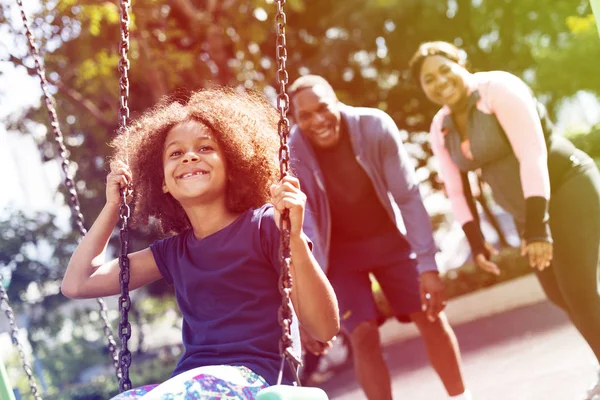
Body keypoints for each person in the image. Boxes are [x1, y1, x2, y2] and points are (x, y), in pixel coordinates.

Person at [61, 88, 339, 399]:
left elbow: (324, 328)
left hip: (255, 380)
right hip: (191, 382)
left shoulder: (265, 225)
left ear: (233, 163)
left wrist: (295, 239)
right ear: (163, 181)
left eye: (205, 148)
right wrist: (113, 207)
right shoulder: (173, 252)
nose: (190, 156)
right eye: (175, 153)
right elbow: (77, 283)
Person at [410, 40, 600, 399]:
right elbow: (456, 189)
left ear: (461, 62)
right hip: (529, 212)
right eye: (429, 79)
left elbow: (532, 154)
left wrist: (537, 227)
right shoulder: (442, 127)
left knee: (581, 295)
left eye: (444, 69)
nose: (439, 81)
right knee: (560, 294)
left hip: (567, 187)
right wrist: (476, 240)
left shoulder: (500, 89)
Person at [288, 75, 472, 400]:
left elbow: (408, 195)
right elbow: (305, 228)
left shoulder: (373, 126)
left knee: (430, 317)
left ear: (336, 101)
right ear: (296, 120)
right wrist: (305, 300)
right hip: (340, 257)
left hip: (389, 240)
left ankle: (461, 397)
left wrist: (428, 266)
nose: (317, 120)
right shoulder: (293, 151)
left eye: (323, 108)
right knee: (363, 336)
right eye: (305, 116)